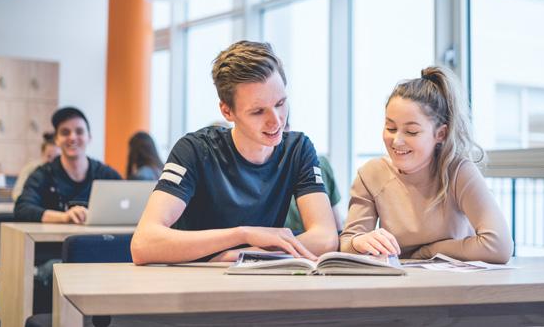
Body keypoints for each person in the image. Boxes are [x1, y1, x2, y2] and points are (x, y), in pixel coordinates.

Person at [131, 40, 338, 264]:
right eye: (258, 112)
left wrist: (244, 255)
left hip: (258, 281)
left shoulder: (297, 149)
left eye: (280, 103)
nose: (276, 121)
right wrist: (242, 234)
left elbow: (325, 238)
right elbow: (143, 244)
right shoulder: (195, 150)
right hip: (195, 284)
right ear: (227, 111)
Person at [339, 66, 513, 264]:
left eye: (411, 132)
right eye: (391, 128)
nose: (396, 141)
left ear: (440, 134)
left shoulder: (458, 171)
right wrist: (359, 242)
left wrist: (429, 251)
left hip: (457, 286)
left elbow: (499, 246)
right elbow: (346, 243)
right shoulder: (371, 175)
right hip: (403, 285)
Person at [14, 107, 122, 224]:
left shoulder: (106, 174)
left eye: (79, 131)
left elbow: (127, 202)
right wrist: (64, 217)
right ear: (56, 140)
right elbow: (22, 208)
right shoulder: (42, 175)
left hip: (98, 240)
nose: (72, 137)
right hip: (54, 241)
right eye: (65, 132)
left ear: (89, 137)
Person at [282, 119, 343, 232]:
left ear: (288, 129)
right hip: (280, 245)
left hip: (316, 243)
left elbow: (337, 228)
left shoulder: (320, 165)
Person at [11, 132, 60, 201]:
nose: (52, 161)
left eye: (56, 157)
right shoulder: (31, 169)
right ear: (42, 154)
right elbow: (17, 193)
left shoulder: (65, 172)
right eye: (49, 156)